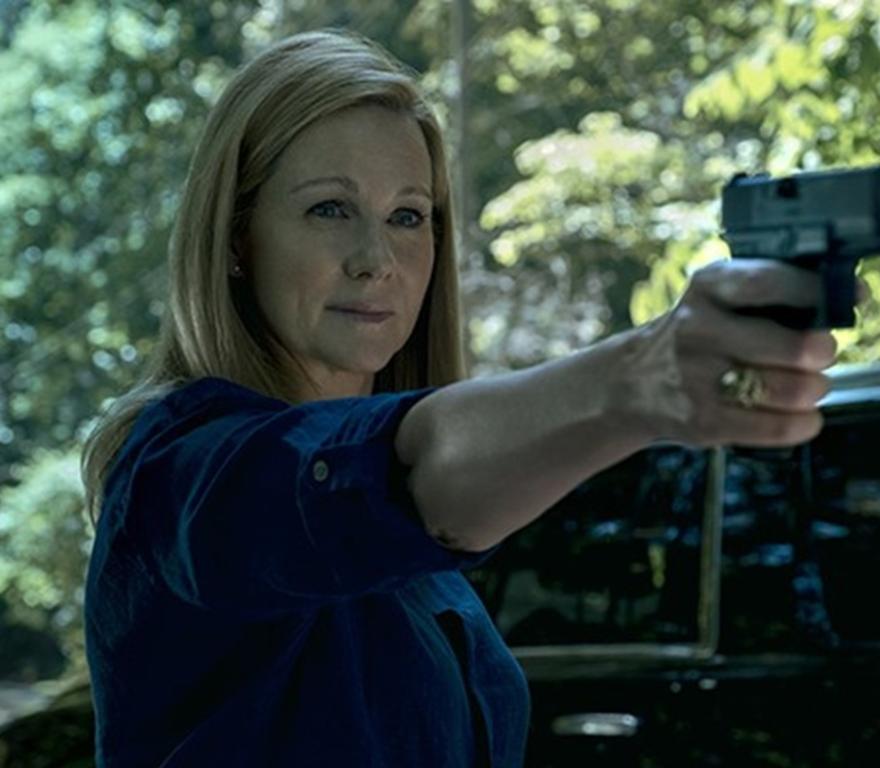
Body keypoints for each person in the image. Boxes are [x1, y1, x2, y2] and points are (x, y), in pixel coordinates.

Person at [80, 27, 841, 768]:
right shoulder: (176, 473)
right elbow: (390, 470)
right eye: (329, 208)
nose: (376, 259)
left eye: (407, 216)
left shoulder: (422, 558)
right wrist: (642, 378)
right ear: (236, 240)